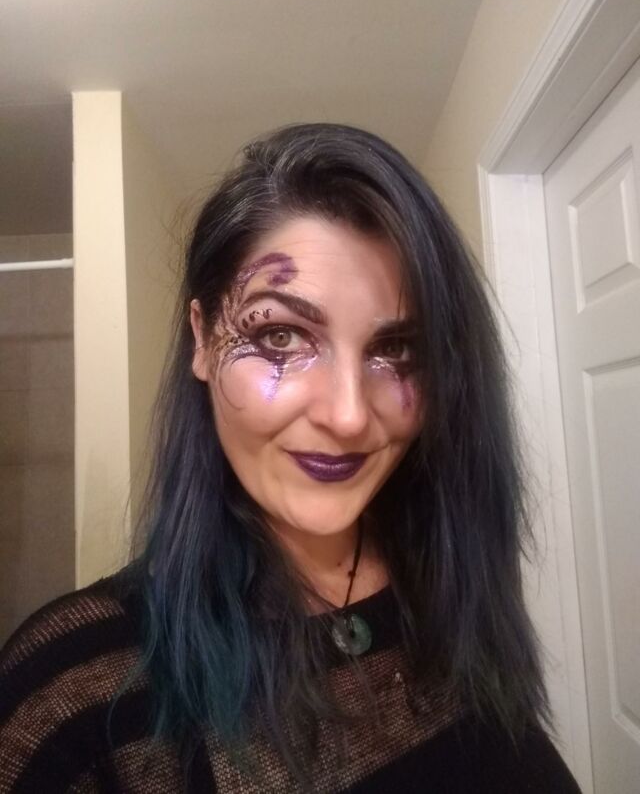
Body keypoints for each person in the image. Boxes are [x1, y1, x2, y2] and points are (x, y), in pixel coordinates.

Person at [0, 123, 582, 793]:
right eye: (280, 335)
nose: (349, 414)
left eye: (396, 349)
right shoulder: (72, 693)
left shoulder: (450, 583)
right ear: (201, 338)